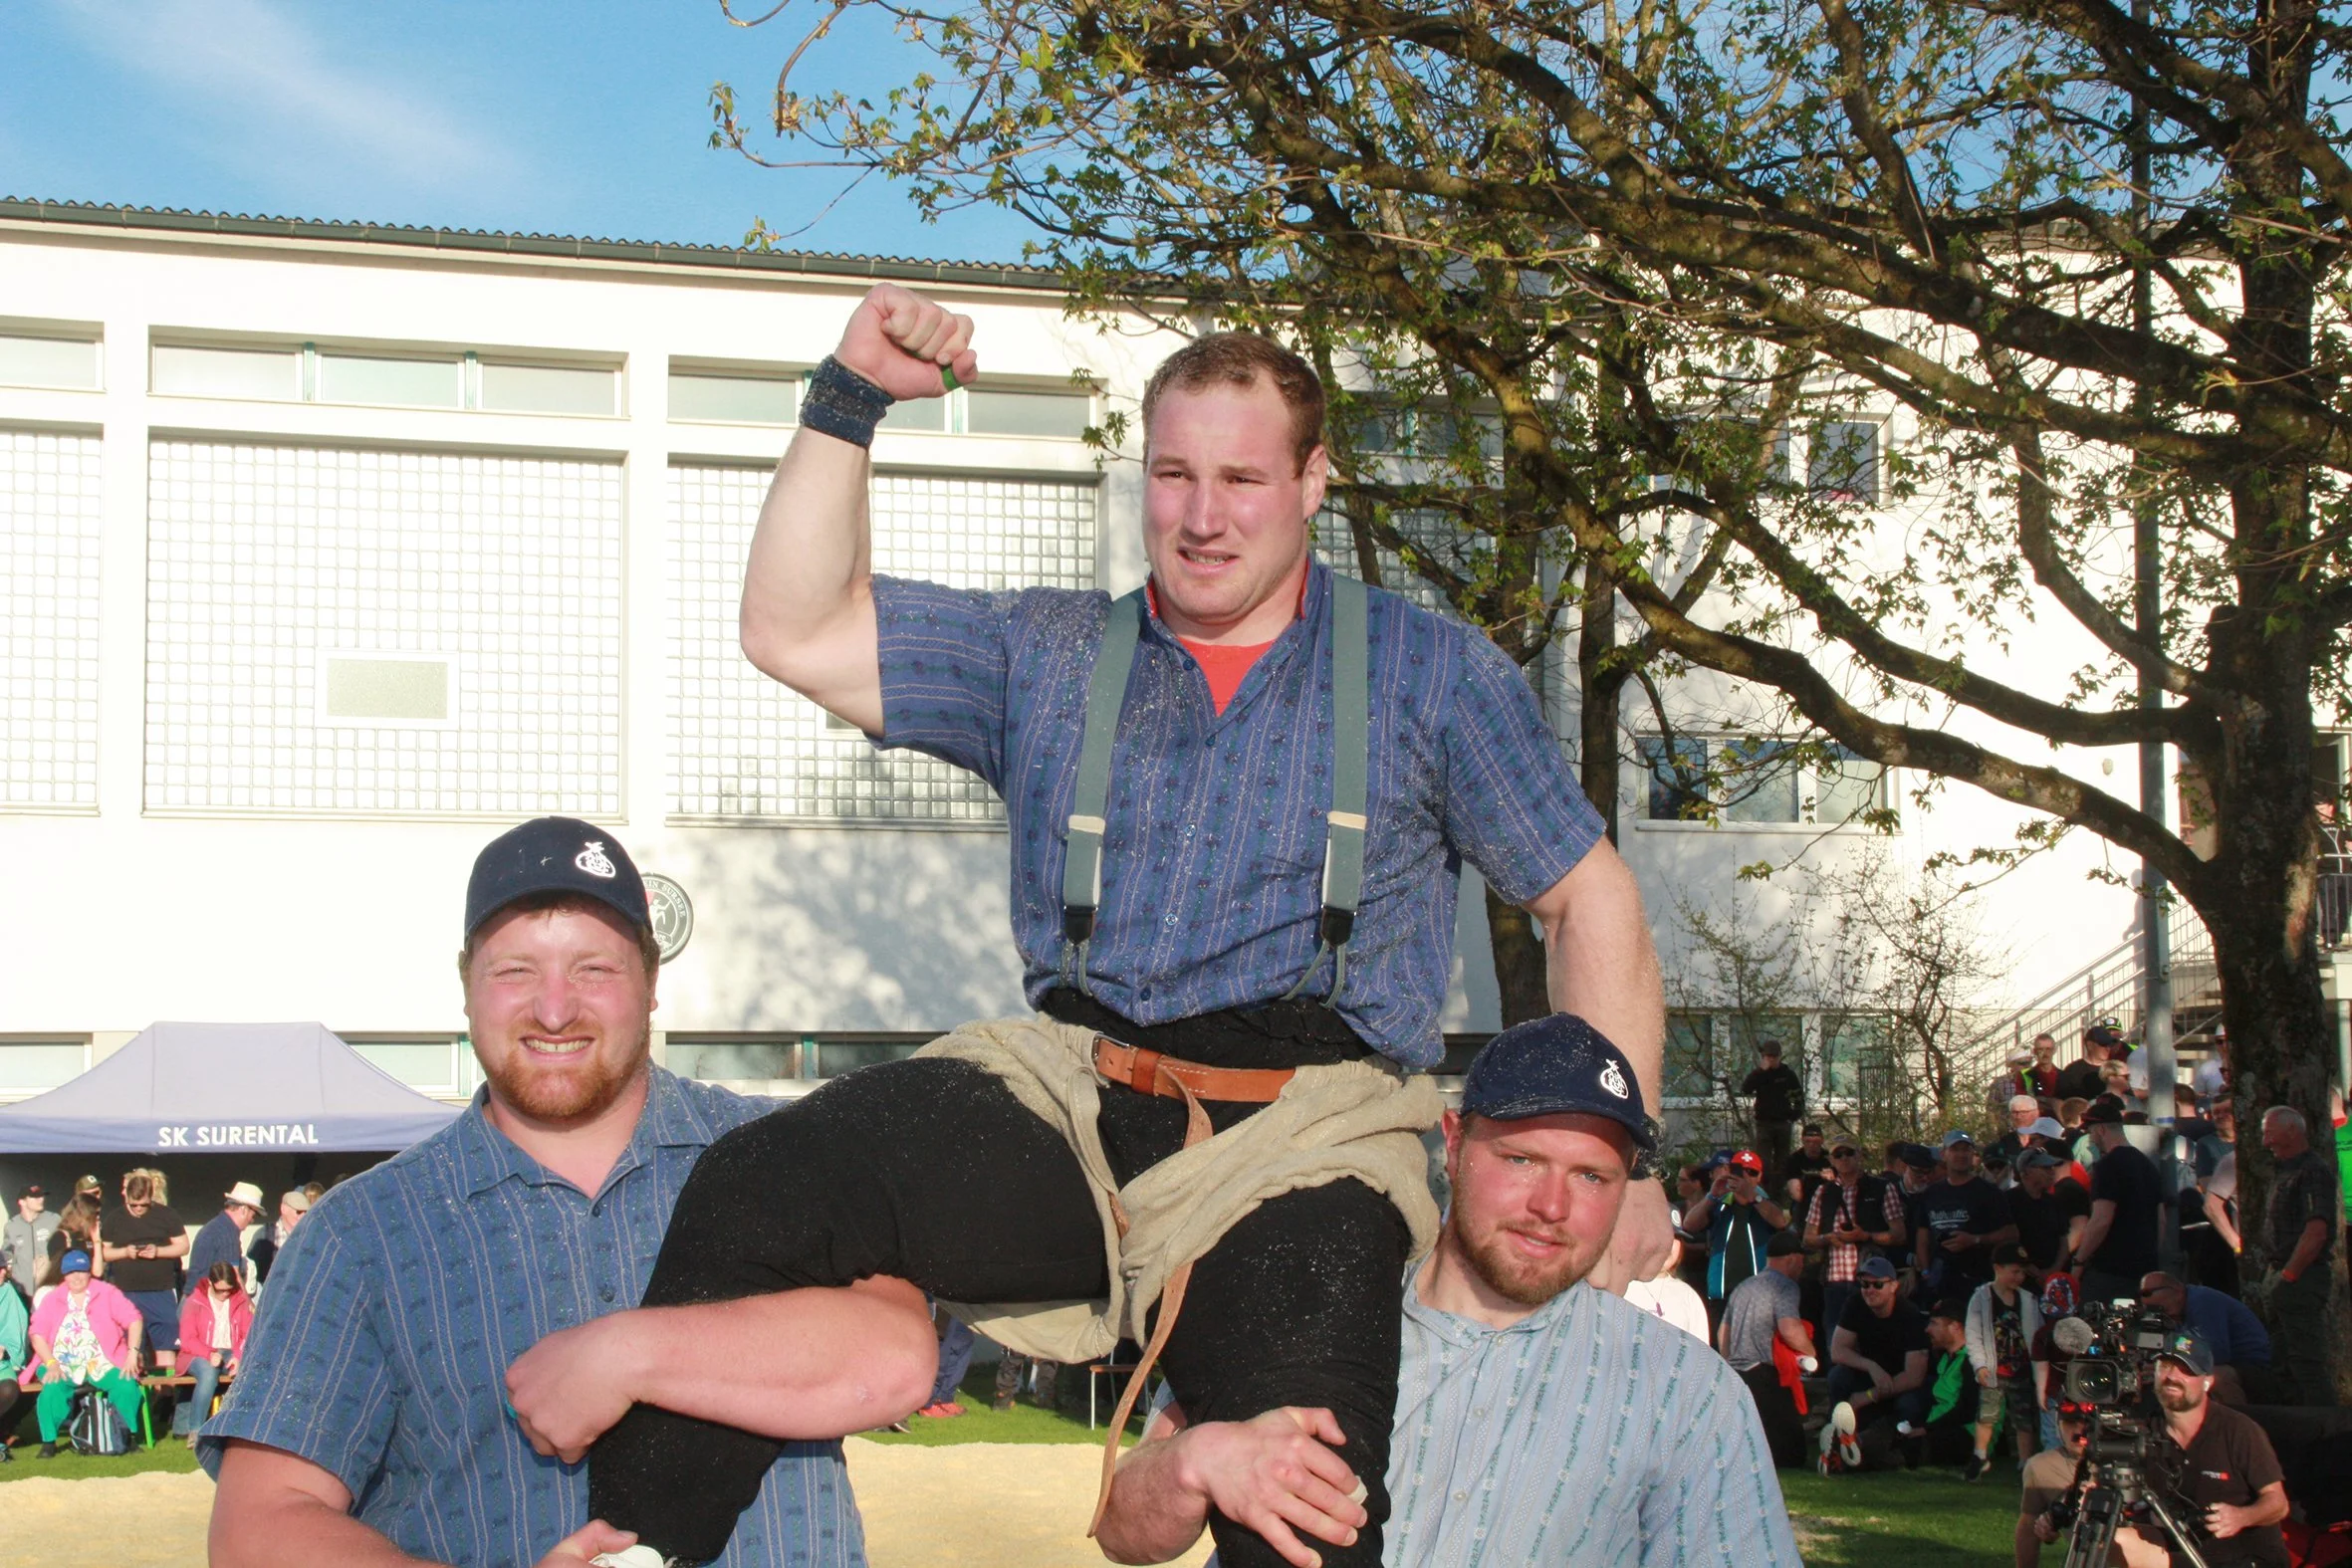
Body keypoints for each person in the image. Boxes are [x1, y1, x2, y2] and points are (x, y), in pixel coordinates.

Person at [588, 290, 1670, 1568]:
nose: (1201, 516)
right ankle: (632, 1548)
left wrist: (1624, 1156)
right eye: (1172, 474)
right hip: (1070, 1091)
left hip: (1308, 1137)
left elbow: (1582, 895)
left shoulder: (1430, 675)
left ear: (1314, 480)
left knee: (1304, 1495)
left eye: (1241, 478)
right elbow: (795, 626)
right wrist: (850, 395)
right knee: (768, 1177)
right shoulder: (1046, 651)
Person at [202, 818, 939, 1568]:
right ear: (467, 988)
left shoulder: (784, 1153)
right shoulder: (360, 1233)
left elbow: (897, 1358)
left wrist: (630, 1353)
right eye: (516, 971)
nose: (555, 1009)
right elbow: (257, 1528)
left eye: (594, 969)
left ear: (651, 982)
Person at [1092, 1014, 1801, 1568]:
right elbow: (1122, 1529)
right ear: (1455, 1143)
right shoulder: (1306, 1297)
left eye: (1592, 1176)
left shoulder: (1685, 1394)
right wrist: (1194, 1463)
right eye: (1521, 1158)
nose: (1552, 1205)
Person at [2111, 1328, 2290, 1568]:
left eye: (2186, 1370)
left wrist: (2241, 1517)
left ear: (2207, 1381)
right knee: (2115, 1539)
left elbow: (2278, 1503)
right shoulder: (2144, 1430)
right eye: (2165, 1366)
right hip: (2178, 1553)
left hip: (2246, 1558)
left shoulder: (2238, 1430)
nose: (2172, 1376)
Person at [27, 1247, 144, 1458]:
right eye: (71, 1272)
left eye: (81, 1271)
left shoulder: (107, 1292)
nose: (77, 1277)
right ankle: (49, 1442)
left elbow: (134, 1319)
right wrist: (51, 1362)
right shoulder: (53, 1298)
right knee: (52, 1388)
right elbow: (37, 1333)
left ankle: (128, 1436)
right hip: (62, 1361)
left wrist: (132, 1353)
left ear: (89, 1272)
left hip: (103, 1360)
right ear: (64, 1274)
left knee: (126, 1384)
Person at [2256, 1104, 2338, 1402]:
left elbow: (2316, 1232)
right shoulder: (2286, 1170)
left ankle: (2330, 1433)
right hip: (2282, 1273)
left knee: (2305, 1363)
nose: (2266, 1142)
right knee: (2283, 1362)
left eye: (2270, 1133)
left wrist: (2289, 1276)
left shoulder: (2312, 1172)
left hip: (2301, 1276)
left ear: (2292, 1131)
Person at [1721, 1229, 1817, 1467]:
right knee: (1790, 1454)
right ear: (1792, 1259)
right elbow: (1789, 1328)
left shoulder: (1744, 1286)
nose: (1802, 1267)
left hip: (1738, 1372)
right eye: (1802, 1260)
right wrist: (1812, 1353)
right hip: (1767, 1374)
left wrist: (1729, 1363)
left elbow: (1724, 1330)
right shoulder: (1785, 1286)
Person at [1804, 1135, 1908, 1349]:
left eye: (1849, 1153)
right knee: (1835, 1340)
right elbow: (1808, 1238)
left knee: (1872, 1340)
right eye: (1838, 1154)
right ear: (1831, 1160)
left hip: (1871, 1282)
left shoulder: (1882, 1188)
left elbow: (1899, 1235)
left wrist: (1866, 1236)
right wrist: (1828, 1238)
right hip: (1833, 1281)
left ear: (1859, 1156)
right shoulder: (1823, 1192)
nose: (1844, 1158)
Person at [1825, 1255, 1932, 1446]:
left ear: (1893, 1286)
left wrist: (1868, 1396)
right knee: (1838, 1376)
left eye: (1878, 1285)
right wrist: (1871, 1366)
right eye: (1865, 1284)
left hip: (1900, 1382)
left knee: (1910, 1405)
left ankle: (1897, 1449)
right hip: (1870, 1375)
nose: (1870, 1290)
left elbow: (1914, 1376)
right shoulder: (1855, 1303)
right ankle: (1837, 1437)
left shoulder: (1910, 1315)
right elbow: (1838, 1351)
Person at [1964, 1244, 2045, 1477]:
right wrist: (1979, 1364)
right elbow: (1973, 1333)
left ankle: (2025, 1463)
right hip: (1994, 1369)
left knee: (2024, 1418)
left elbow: (2036, 1334)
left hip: (2021, 1369)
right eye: (2014, 1271)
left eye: (2022, 1272)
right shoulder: (1981, 1298)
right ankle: (1980, 1456)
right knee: (1987, 1414)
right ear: (1998, 1268)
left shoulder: (2028, 1300)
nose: (2019, 1277)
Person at [1684, 1147, 1788, 1327]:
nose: (1745, 1177)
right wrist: (1712, 1195)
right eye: (1739, 1172)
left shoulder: (1765, 1204)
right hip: (1722, 1293)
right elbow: (1689, 1225)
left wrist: (1752, 1196)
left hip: (1758, 1294)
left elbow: (1780, 1221)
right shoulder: (1720, 1204)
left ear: (1759, 1176)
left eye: (1751, 1173)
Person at [2137, 1271, 2270, 1407]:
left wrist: (2172, 1366)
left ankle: (2236, 1423)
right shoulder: (2177, 1312)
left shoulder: (2203, 1301)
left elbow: (2215, 1354)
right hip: (2224, 1363)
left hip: (2252, 1367)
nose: (2161, 1315)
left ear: (2177, 1291)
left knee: (2214, 1378)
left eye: (2162, 1309)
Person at [2075, 1099, 2162, 1307]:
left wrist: (2079, 1261)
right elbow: (2162, 1220)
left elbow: (2101, 1220)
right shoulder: (2147, 1165)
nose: (2090, 1140)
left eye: (2090, 1132)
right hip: (2143, 1268)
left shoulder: (2108, 1166)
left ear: (2101, 1130)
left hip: (2109, 1270)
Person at [101, 1169, 185, 1371]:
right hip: (126, 1292)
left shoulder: (166, 1215)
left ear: (151, 1197)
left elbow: (183, 1246)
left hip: (160, 1291)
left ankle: (166, 1397)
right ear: (127, 1198)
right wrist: (124, 1252)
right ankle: (136, 1395)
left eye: (144, 1205)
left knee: (166, 1346)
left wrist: (158, 1251)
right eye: (134, 1205)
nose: (139, 1209)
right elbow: (103, 1253)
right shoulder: (114, 1219)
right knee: (131, 1347)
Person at [1915, 1130, 2015, 1298]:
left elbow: (2011, 1233)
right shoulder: (1931, 1193)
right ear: (1943, 1155)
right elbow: (1922, 1237)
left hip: (1978, 1278)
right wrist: (1925, 1272)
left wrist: (1975, 1240)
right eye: (1955, 1149)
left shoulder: (1989, 1192)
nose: (1961, 1155)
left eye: (1966, 1150)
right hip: (1940, 1279)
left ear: (1973, 1155)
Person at [174, 1259, 253, 1438]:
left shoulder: (240, 1300)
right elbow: (187, 1339)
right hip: (196, 1353)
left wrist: (238, 1356)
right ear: (210, 1283)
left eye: (229, 1290)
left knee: (248, 1372)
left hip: (229, 1351)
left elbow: (247, 1333)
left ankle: (241, 1430)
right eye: (220, 1290)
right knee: (209, 1373)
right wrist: (209, 1353)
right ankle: (196, 1430)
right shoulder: (194, 1301)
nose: (225, 1294)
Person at [187, 1182, 265, 1294]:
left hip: (193, 1297)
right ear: (244, 1210)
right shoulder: (228, 1234)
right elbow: (234, 1276)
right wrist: (248, 1305)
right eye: (253, 1216)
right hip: (205, 1300)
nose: (252, 1221)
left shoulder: (216, 1225)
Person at [1743, 1039, 1805, 1175]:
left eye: (1774, 1057)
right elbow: (1746, 1089)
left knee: (1782, 1162)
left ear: (1779, 1056)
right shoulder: (1759, 1075)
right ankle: (1765, 1191)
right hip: (1764, 1123)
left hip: (1783, 1123)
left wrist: (1793, 1116)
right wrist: (1760, 1071)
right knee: (1763, 1162)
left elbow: (1798, 1097)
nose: (1771, 1060)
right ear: (1764, 1057)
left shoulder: (1787, 1074)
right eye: (1768, 1057)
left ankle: (1779, 1192)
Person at [244, 1188, 312, 1291]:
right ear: (283, 1209)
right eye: (298, 1212)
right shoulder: (265, 1235)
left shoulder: (309, 1236)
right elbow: (252, 1271)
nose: (302, 1216)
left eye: (306, 1212)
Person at [4, 1185, 58, 1301]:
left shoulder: (54, 1220)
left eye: (42, 1196)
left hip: (49, 1289)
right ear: (22, 1202)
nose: (41, 1199)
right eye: (35, 1197)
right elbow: (6, 1254)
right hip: (22, 1291)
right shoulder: (12, 1226)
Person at [0, 1252, 26, 1456]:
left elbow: (15, 1331)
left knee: (9, 1389)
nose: (2, 1273)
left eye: (2, 1269)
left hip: (1, 1365)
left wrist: (5, 1348)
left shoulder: (7, 1292)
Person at [2056, 1024, 2120, 1105]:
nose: (2108, 1048)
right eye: (2103, 1044)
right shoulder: (2073, 1071)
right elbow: (2061, 1100)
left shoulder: (2116, 1069)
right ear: (2089, 1045)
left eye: (2110, 1044)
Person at [1782, 1122, 1833, 1209]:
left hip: (1827, 1201)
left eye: (1816, 1141)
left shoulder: (1831, 1159)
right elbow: (1796, 1194)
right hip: (1803, 1203)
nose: (1812, 1145)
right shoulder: (1793, 1160)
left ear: (1822, 1140)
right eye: (1808, 1141)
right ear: (1802, 1140)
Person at [1989, 1095, 2042, 1170]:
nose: (2018, 1117)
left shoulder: (2046, 1138)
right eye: (2014, 1112)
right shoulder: (2005, 1142)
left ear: (2036, 1113)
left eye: (2023, 1112)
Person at [2026, 1033, 2062, 1100]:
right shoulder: (2026, 1076)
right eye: (2040, 1049)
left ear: (2054, 1050)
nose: (2045, 1053)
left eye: (2048, 1049)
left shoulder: (2063, 1076)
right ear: (2034, 1051)